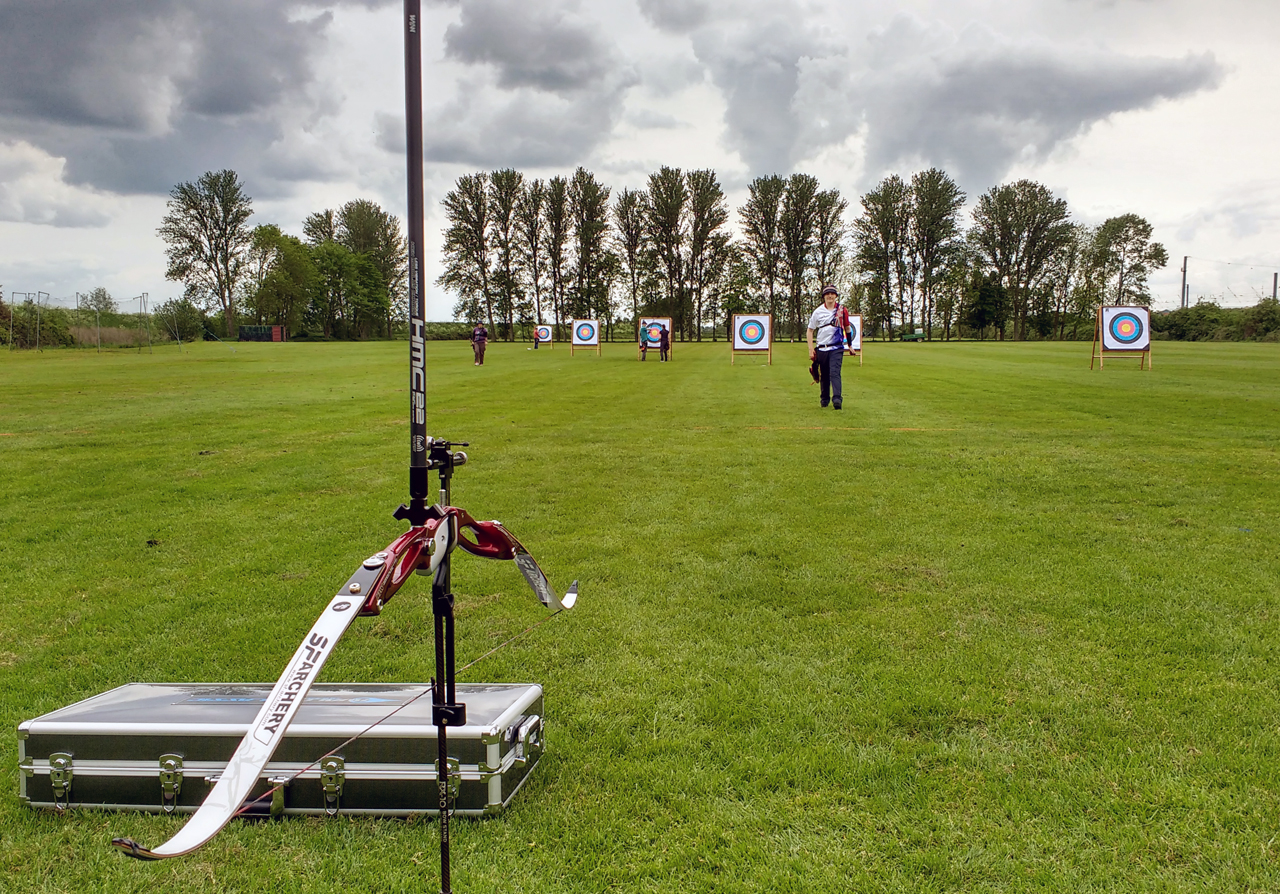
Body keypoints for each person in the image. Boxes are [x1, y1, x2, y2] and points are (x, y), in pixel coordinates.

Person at [806, 285, 851, 409]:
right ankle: (824, 399)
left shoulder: (842, 310)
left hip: (836, 347)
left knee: (834, 372)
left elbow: (847, 328)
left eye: (832, 294)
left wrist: (850, 345)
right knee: (824, 374)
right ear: (824, 297)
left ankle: (837, 399)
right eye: (827, 294)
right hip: (821, 347)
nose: (830, 296)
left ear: (836, 296)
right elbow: (810, 330)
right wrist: (811, 349)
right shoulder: (818, 311)